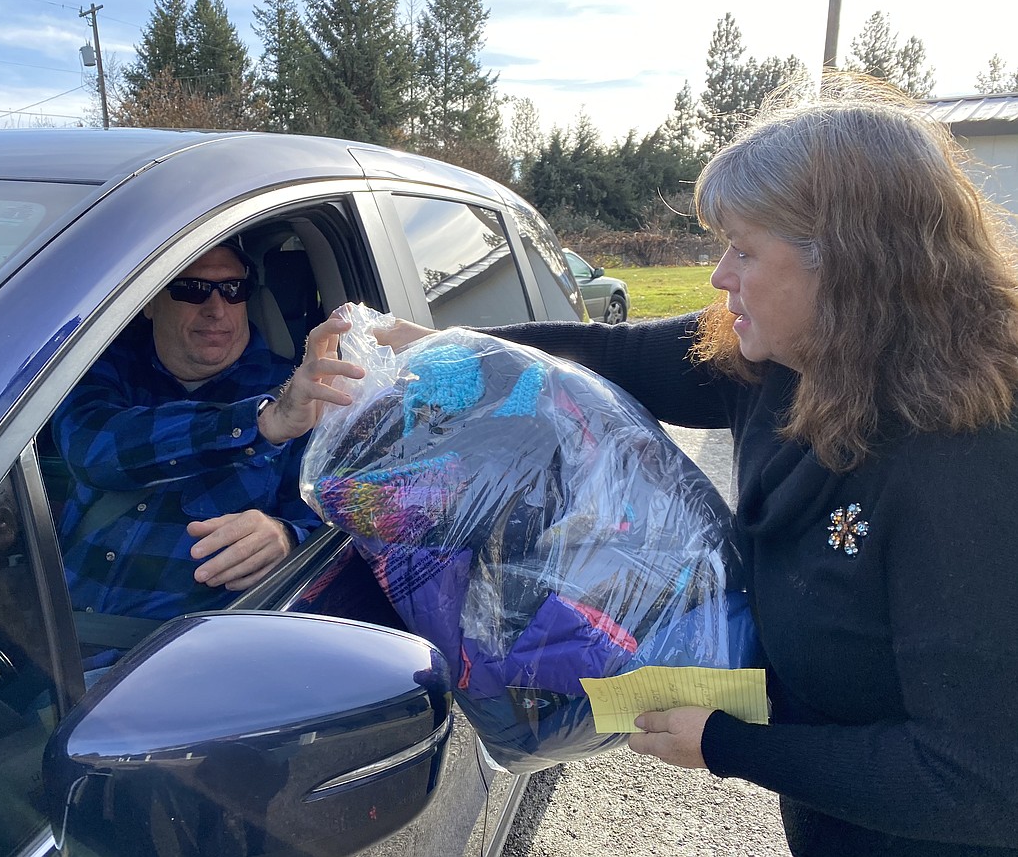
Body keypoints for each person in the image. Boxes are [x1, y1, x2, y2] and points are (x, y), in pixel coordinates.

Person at [373, 74, 1018, 856]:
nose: (718, 275)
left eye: (743, 249)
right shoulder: (779, 359)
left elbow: (977, 781)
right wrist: (419, 350)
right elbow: (606, 353)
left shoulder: (966, 457)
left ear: (848, 266)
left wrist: (723, 743)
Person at [52, 239, 363, 663]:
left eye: (233, 290)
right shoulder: (106, 368)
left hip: (168, 665)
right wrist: (259, 424)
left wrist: (287, 537)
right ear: (148, 302)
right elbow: (91, 449)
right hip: (47, 638)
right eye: (192, 289)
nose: (216, 308)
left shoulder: (306, 394)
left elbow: (347, 530)